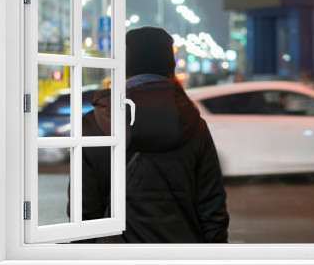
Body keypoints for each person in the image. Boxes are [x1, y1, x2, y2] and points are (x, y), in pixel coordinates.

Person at [67, 26, 229, 243]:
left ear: (125, 65)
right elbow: (212, 207)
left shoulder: (93, 123)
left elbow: (83, 211)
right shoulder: (193, 123)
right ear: (170, 66)